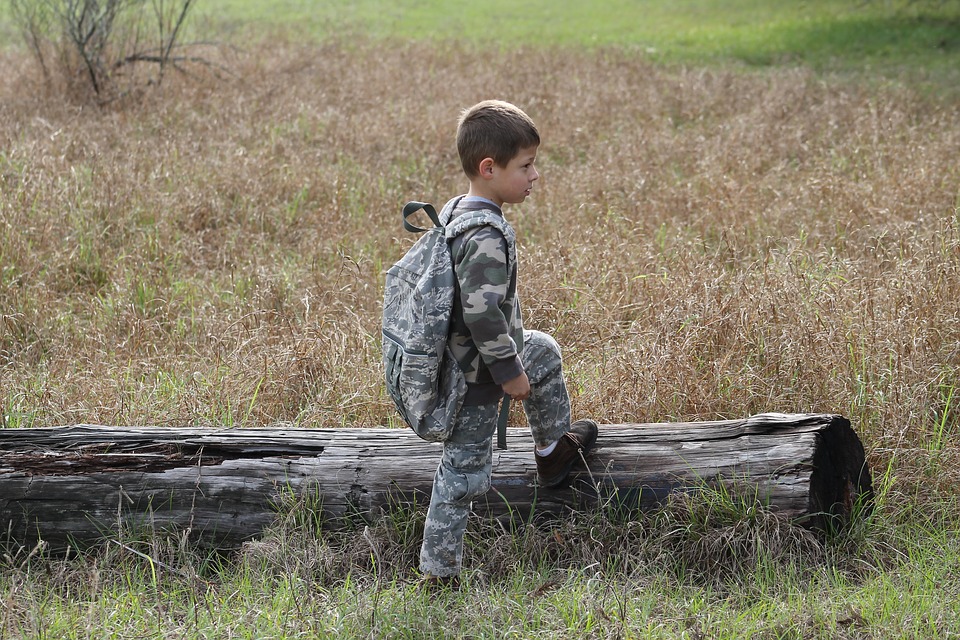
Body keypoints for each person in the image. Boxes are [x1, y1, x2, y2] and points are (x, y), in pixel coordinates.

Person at [419, 99, 598, 588]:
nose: (535, 175)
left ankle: (551, 452)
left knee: (543, 352)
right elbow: (481, 313)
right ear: (489, 168)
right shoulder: (483, 234)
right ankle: (438, 575)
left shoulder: (461, 207)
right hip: (473, 376)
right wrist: (507, 372)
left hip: (479, 356)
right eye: (526, 166)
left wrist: (518, 359)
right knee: (462, 474)